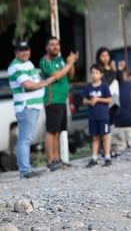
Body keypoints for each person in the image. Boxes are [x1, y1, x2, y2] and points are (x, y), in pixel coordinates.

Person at [8, 41, 56, 178]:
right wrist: (46, 82)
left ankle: (26, 168)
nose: (24, 52)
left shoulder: (28, 64)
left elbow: (35, 80)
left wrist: (41, 84)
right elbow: (28, 85)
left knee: (27, 138)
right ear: (15, 52)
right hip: (26, 106)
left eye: (26, 49)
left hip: (33, 106)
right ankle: (25, 170)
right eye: (21, 50)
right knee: (24, 139)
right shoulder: (15, 66)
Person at [39, 36, 79, 172]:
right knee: (51, 131)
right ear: (47, 47)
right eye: (52, 45)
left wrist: (71, 63)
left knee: (58, 132)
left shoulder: (61, 60)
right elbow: (57, 76)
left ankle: (57, 159)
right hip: (52, 100)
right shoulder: (45, 61)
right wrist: (69, 64)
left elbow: (71, 75)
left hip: (62, 100)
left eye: (57, 44)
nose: (55, 47)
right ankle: (50, 160)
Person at [82, 64, 113, 167]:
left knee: (104, 136)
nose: (94, 75)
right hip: (93, 116)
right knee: (95, 137)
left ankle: (107, 156)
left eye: (97, 73)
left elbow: (109, 99)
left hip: (103, 116)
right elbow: (84, 100)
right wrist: (89, 101)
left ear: (101, 74)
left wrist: (98, 99)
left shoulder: (104, 86)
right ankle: (94, 157)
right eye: (92, 73)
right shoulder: (88, 87)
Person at [95, 47, 124, 124]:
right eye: (103, 56)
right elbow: (106, 82)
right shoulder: (97, 69)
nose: (105, 58)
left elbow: (120, 82)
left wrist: (119, 71)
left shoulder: (110, 68)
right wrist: (114, 72)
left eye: (107, 55)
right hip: (104, 101)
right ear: (98, 57)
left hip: (114, 100)